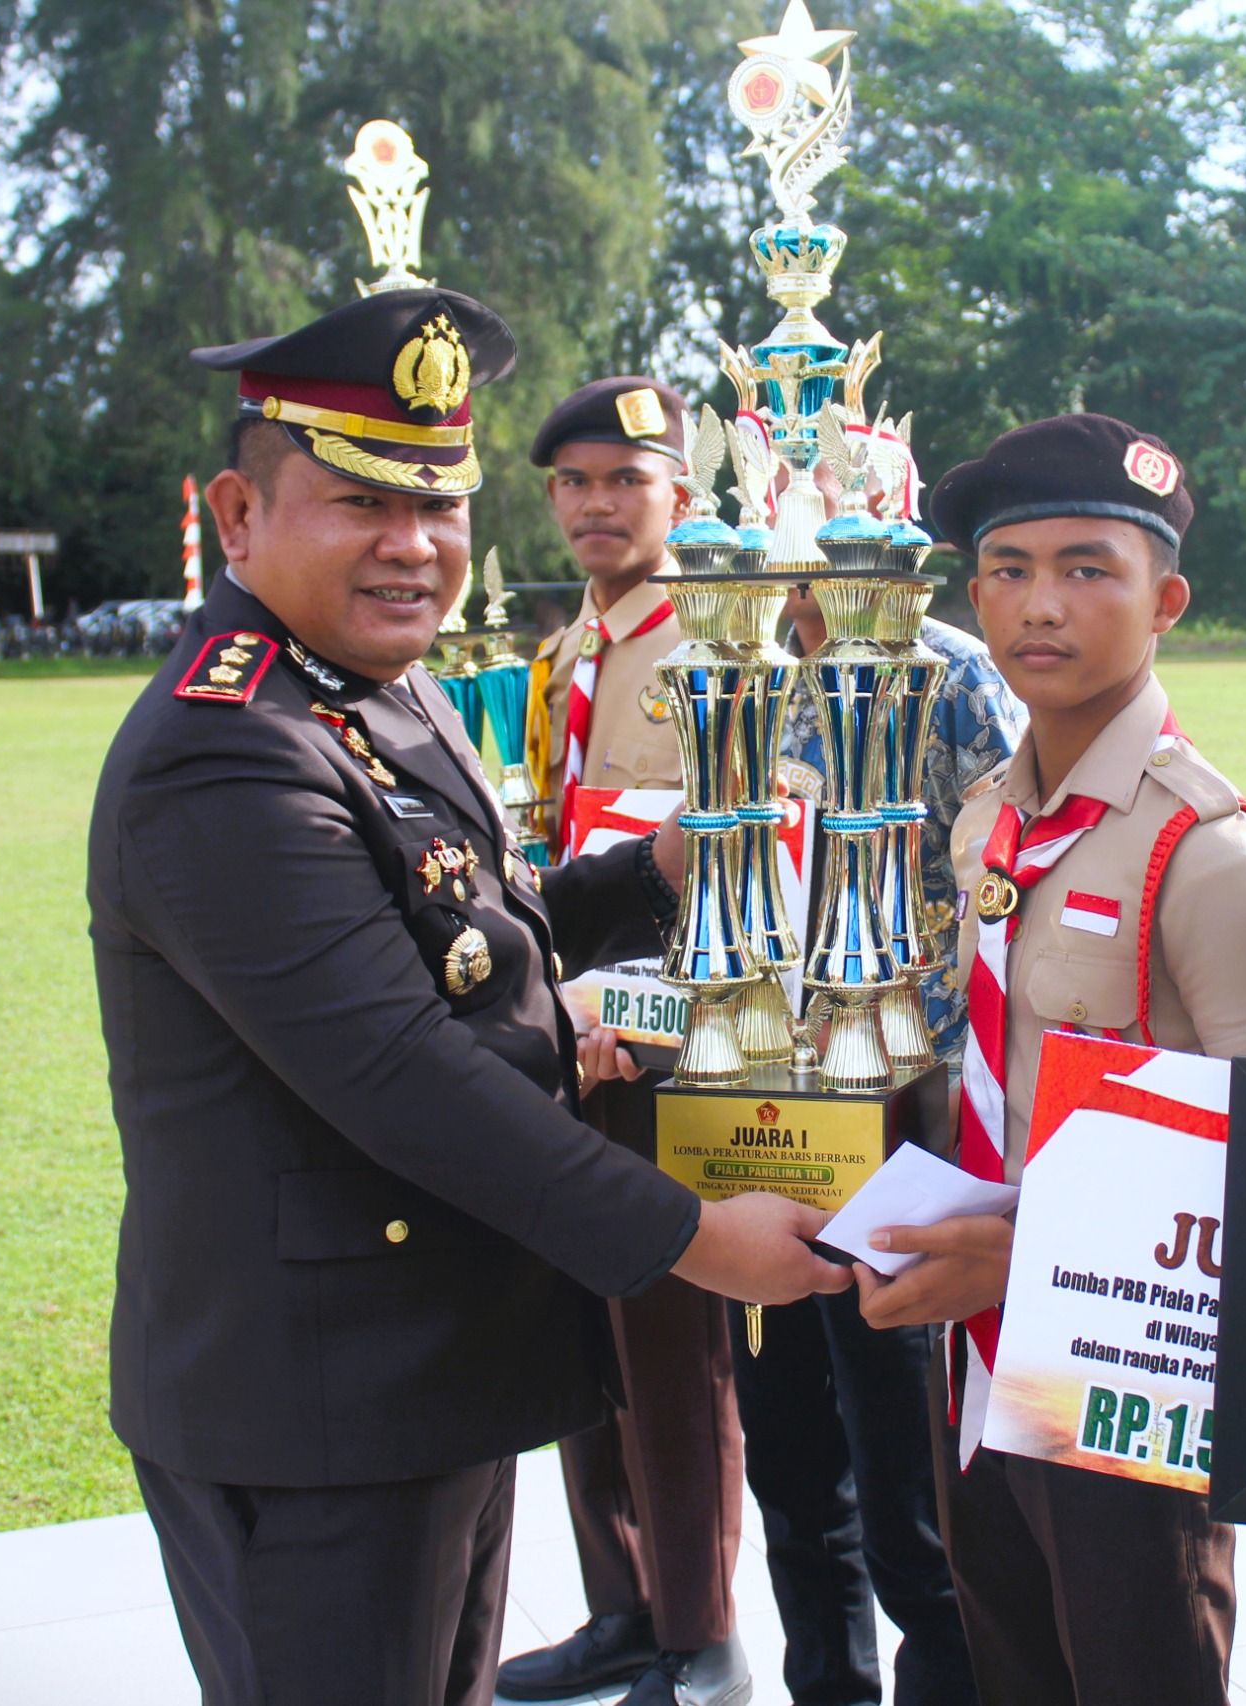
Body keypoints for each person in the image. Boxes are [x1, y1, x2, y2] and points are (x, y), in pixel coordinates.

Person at [88, 288, 850, 1706]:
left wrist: (661, 867)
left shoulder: (377, 689)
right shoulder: (230, 747)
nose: (414, 544)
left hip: (427, 1363)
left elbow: (470, 936)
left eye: (440, 504)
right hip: (317, 1403)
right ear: (237, 517)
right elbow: (396, 1065)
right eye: (361, 503)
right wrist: (692, 1237)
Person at [851, 414, 1246, 1706]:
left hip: (1127, 1371)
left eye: (1087, 569)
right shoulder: (987, 821)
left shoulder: (1210, 853)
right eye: (1008, 570)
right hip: (975, 1347)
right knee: (1010, 1661)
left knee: (1137, 1669)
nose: (1040, 606)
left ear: (1165, 600)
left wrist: (1043, 1257)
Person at [496, 377, 753, 1706]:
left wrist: (635, 1014)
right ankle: (623, 1604)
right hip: (565, 1024)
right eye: (575, 482)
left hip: (662, 1037)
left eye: (626, 479)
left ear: (680, 495)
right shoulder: (568, 650)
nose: (597, 504)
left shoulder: (714, 642)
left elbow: (740, 853)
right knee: (580, 1327)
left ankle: (700, 1637)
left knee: (666, 1338)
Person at [727, 582, 1020, 1706]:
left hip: (903, 1122)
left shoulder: (948, 671)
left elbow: (1005, 885)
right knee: (789, 1463)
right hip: (764, 1113)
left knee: (907, 1491)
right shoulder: (744, 671)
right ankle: (827, 1683)